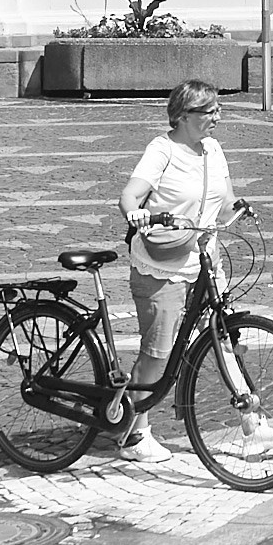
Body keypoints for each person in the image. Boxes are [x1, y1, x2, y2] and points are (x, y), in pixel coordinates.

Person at [110, 77, 238, 456]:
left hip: (204, 261)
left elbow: (226, 200)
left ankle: (253, 421)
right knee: (158, 351)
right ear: (183, 116)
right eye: (209, 111)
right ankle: (136, 434)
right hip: (161, 263)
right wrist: (138, 216)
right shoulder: (162, 149)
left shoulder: (213, 150)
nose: (216, 116)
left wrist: (240, 209)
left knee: (224, 339)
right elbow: (130, 195)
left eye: (218, 109)